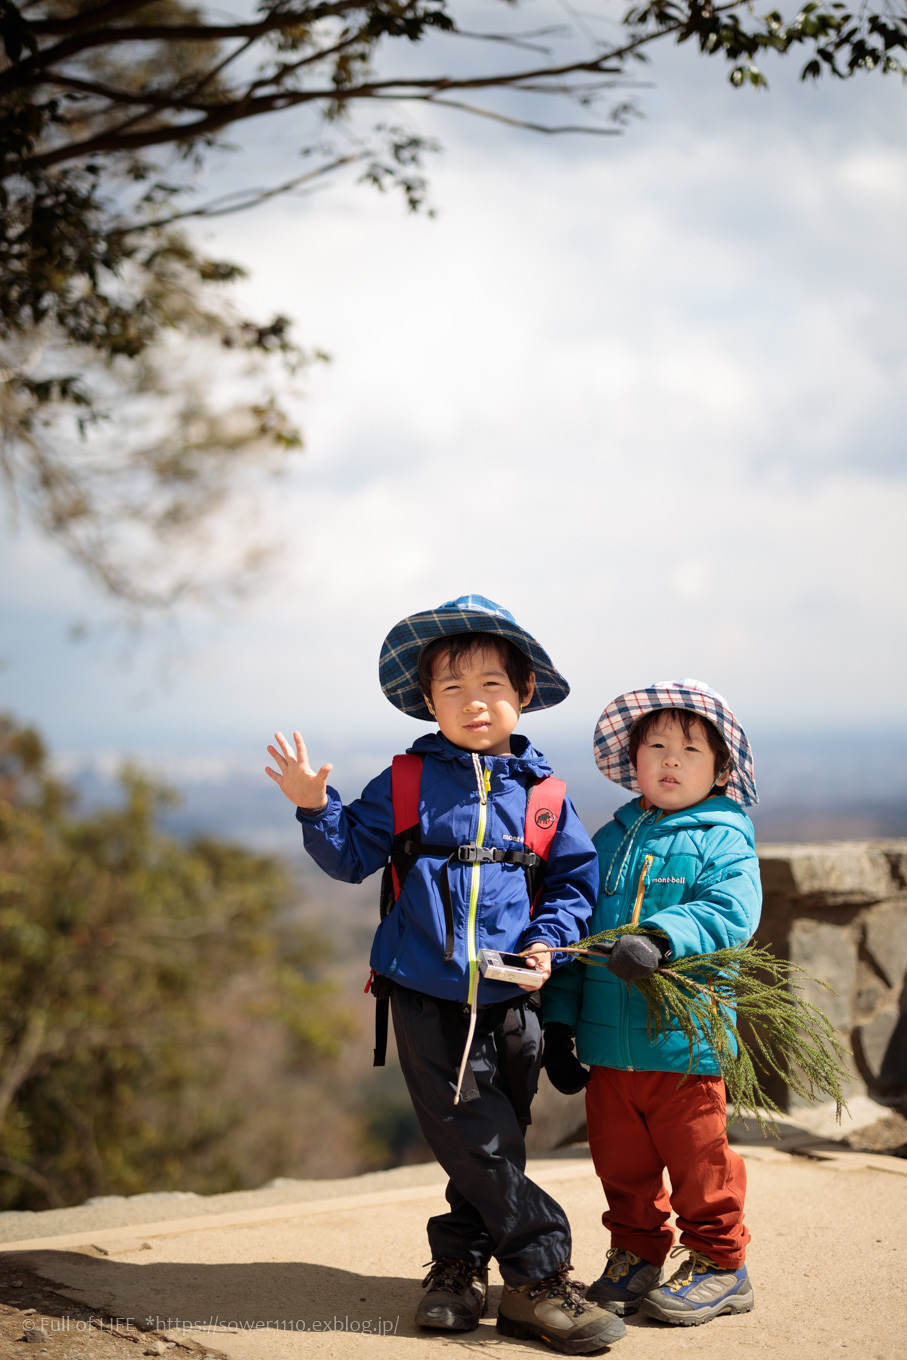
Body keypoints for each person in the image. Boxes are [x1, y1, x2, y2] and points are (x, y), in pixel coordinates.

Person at [266, 595, 625, 1354]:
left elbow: (572, 885)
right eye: (452, 689)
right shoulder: (403, 784)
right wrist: (313, 807)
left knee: (490, 1139)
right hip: (427, 995)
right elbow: (349, 855)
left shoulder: (546, 796)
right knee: (479, 1136)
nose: (474, 702)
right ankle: (538, 1277)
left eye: (491, 684)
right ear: (426, 702)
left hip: (514, 1001)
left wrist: (548, 944)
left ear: (522, 694)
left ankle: (458, 1268)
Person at [542, 679, 761, 1327]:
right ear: (630, 763)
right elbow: (578, 941)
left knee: (700, 1162)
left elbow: (728, 912)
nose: (669, 760)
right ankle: (634, 1254)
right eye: (655, 746)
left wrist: (661, 939)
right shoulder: (605, 842)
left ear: (719, 769)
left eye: (689, 750)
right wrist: (559, 1024)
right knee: (621, 1165)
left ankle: (721, 1265)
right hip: (608, 1048)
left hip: (683, 1045)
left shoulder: (723, 838)